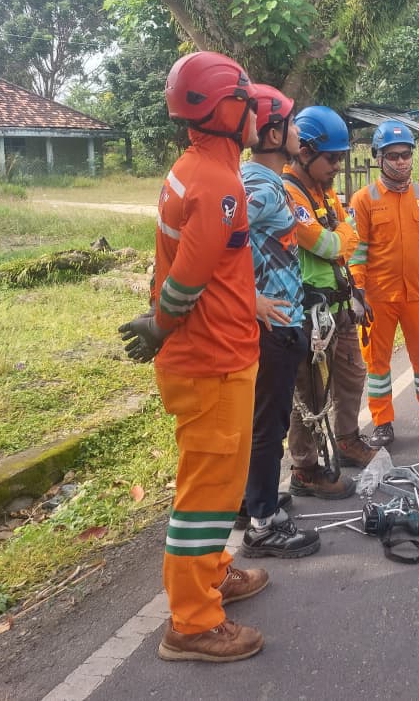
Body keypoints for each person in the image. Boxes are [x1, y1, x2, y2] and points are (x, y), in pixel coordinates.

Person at [117, 51, 268, 663]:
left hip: (214, 353)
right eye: (250, 100)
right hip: (211, 360)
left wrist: (164, 323)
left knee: (214, 480)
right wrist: (160, 322)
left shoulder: (195, 167)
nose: (259, 110)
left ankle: (212, 574)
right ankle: (193, 622)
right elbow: (190, 275)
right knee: (207, 491)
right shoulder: (217, 183)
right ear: (227, 109)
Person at [238, 83, 328, 562]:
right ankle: (263, 522)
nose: (299, 133)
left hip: (283, 316)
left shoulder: (262, 181)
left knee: (259, 421)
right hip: (271, 327)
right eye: (292, 124)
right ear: (274, 133)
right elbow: (212, 238)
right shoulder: (258, 186)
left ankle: (252, 497)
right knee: (267, 425)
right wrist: (249, 299)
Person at [282, 106, 376, 490]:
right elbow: (327, 243)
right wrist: (342, 235)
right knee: (309, 391)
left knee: (352, 375)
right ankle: (305, 467)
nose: (339, 165)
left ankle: (348, 439)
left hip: (339, 305)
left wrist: (343, 237)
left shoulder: (323, 192)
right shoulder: (289, 193)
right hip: (311, 312)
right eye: (332, 158)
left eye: (341, 157)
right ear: (305, 152)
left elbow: (347, 237)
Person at [349, 120, 419, 449]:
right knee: (377, 362)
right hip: (377, 298)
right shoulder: (363, 199)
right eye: (393, 155)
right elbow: (356, 250)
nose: (401, 161)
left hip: (417, 295)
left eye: (406, 155)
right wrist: (358, 292)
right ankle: (382, 422)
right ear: (378, 157)